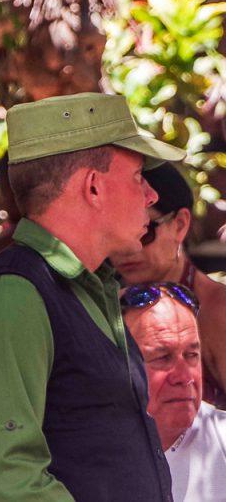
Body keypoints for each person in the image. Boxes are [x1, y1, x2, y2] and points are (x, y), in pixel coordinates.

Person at [0, 92, 185, 501]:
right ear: (93, 187)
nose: (152, 195)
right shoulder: (12, 296)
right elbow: (6, 482)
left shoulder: (91, 287)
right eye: (138, 177)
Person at [112, 162, 226, 408]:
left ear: (180, 224)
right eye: (115, 232)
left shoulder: (218, 311)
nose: (129, 248)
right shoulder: (106, 302)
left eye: (145, 232)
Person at [121, 282, 226, 501]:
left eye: (192, 355)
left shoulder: (221, 438)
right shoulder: (80, 450)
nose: (185, 377)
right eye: (162, 358)